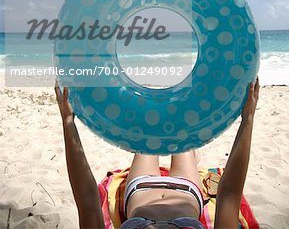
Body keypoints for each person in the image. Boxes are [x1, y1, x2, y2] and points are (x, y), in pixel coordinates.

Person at [55, 77, 259, 229]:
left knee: (148, 134)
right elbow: (229, 194)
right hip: (185, 190)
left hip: (141, 189)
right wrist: (247, 119)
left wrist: (68, 121)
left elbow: (87, 198)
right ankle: (191, 153)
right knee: (183, 137)